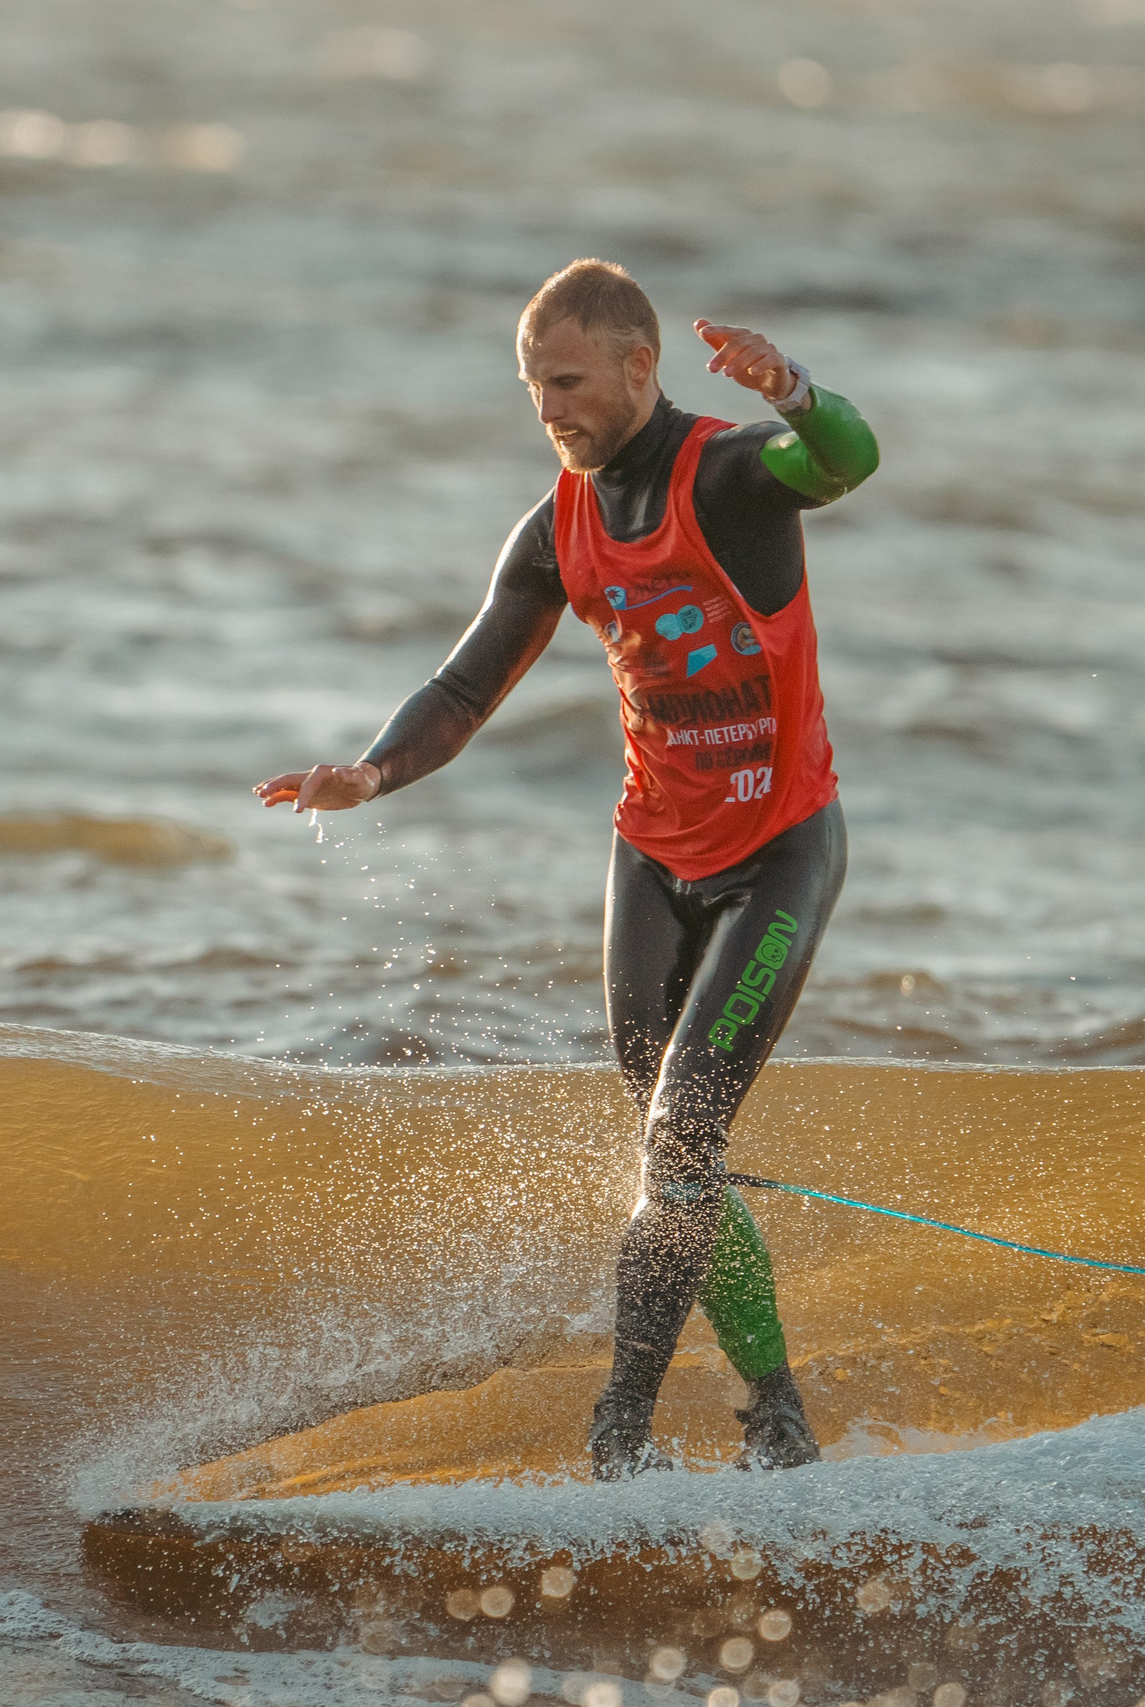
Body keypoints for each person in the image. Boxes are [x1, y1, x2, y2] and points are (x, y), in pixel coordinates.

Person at [254, 259, 878, 1477]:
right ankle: (777, 1416)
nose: (548, 409)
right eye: (532, 386)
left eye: (568, 382)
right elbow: (463, 686)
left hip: (777, 852)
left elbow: (844, 461)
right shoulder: (560, 527)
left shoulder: (731, 478)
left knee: (677, 1143)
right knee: (677, 1153)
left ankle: (619, 1433)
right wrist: (370, 776)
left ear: (639, 367)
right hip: (649, 858)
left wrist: (794, 391)